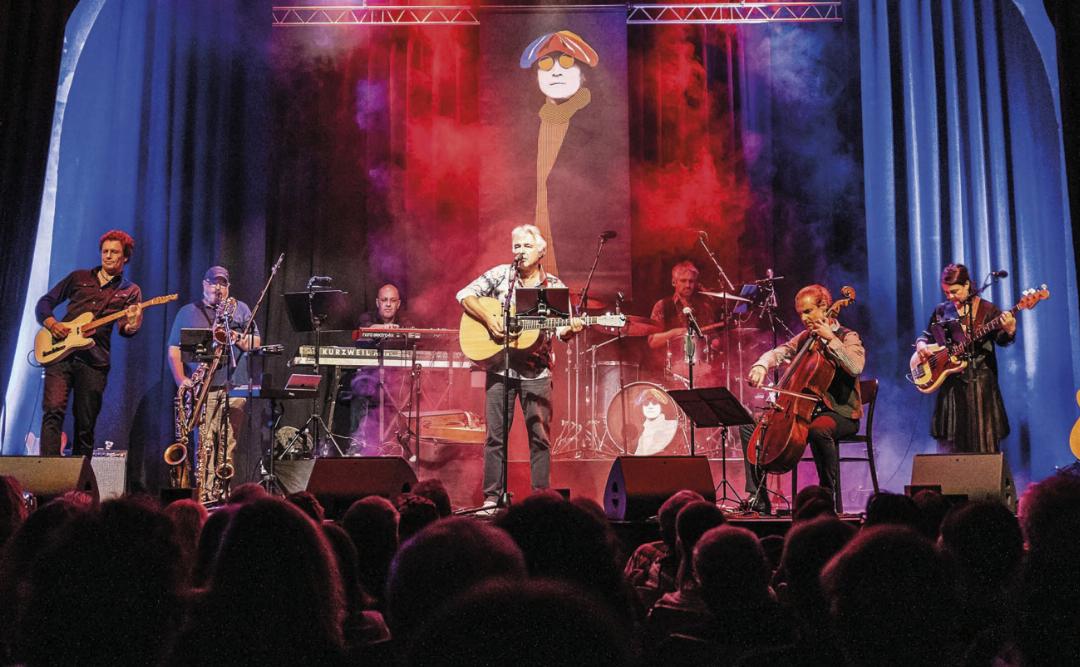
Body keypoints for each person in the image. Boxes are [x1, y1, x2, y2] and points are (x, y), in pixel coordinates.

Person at [457, 224, 582, 512]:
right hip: (500, 368)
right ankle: (492, 498)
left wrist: (571, 329)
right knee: (495, 436)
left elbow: (561, 331)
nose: (520, 251)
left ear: (541, 252)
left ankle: (541, 499)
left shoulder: (553, 286)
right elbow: (464, 295)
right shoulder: (502, 275)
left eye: (527, 246)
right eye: (516, 246)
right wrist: (489, 319)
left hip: (536, 373)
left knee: (539, 437)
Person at [745, 284, 864, 512]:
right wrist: (762, 364)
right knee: (750, 427)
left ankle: (826, 497)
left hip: (840, 413)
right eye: (800, 313)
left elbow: (856, 366)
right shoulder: (806, 338)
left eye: (808, 311)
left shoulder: (848, 336)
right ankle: (758, 497)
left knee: (818, 430)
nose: (804, 318)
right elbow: (781, 352)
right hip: (805, 412)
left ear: (824, 307)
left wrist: (831, 339)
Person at [35, 230, 143, 456]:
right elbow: (44, 303)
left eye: (114, 252)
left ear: (125, 257)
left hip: (94, 361)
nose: (108, 256)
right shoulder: (78, 278)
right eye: (105, 251)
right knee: (53, 411)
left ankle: (80, 477)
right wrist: (53, 324)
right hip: (60, 354)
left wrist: (133, 324)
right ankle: (47, 473)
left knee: (85, 423)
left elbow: (125, 329)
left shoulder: (130, 291)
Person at [167, 266, 260, 502]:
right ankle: (204, 494)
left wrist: (235, 337)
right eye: (213, 282)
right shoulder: (188, 312)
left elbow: (256, 342)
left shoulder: (240, 309)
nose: (218, 287)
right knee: (205, 443)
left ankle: (223, 494)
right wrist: (182, 380)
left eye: (223, 283)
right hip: (203, 389)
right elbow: (174, 350)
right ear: (204, 284)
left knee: (228, 443)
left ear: (228, 287)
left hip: (235, 387)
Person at [916, 263, 1015, 453]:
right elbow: (926, 335)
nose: (950, 297)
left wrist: (1009, 330)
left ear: (967, 285)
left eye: (954, 291)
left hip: (981, 386)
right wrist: (921, 344)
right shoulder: (942, 310)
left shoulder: (987, 309)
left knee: (983, 443)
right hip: (951, 385)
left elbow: (1001, 339)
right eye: (946, 292)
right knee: (951, 447)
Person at [348, 283, 412, 456]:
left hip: (396, 377)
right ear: (378, 302)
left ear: (398, 304)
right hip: (369, 375)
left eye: (392, 300)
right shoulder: (367, 317)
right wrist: (384, 329)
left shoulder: (405, 322)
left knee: (412, 390)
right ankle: (357, 444)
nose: (388, 304)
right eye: (384, 300)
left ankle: (401, 444)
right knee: (360, 387)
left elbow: (413, 335)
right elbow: (364, 329)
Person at [647, 260, 722, 385]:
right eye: (683, 281)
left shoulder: (704, 307)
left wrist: (716, 342)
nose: (688, 285)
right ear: (673, 282)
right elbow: (652, 341)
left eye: (691, 281)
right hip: (670, 372)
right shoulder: (662, 306)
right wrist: (674, 333)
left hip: (701, 371)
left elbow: (713, 337)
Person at [635, 386, 680, 456]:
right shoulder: (643, 433)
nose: (650, 406)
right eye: (646, 403)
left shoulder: (673, 426)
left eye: (654, 402)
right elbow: (637, 457)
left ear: (661, 407)